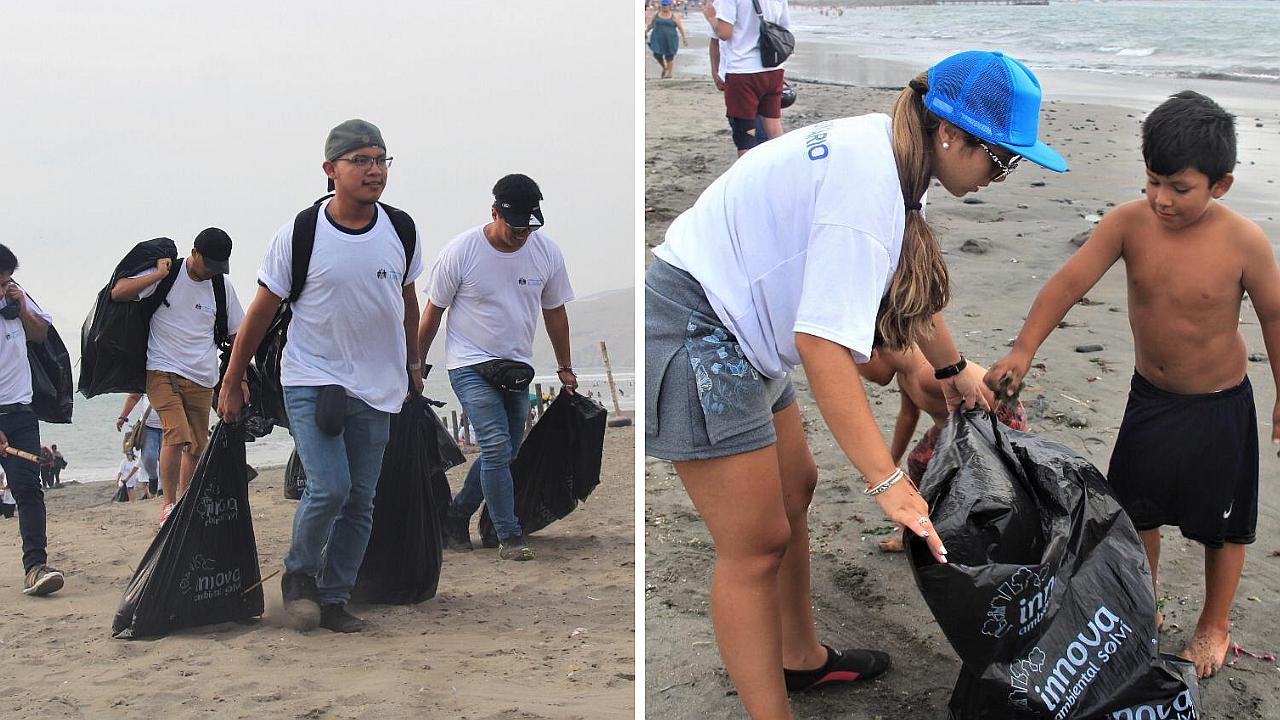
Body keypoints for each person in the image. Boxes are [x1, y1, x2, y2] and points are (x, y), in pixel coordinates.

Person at [645, 50, 1066, 717]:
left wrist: (954, 373)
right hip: (699, 326)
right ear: (952, 133)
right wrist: (888, 481)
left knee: (795, 486)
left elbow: (904, 276)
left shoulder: (901, 152)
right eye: (1002, 158)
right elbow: (820, 345)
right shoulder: (868, 186)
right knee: (753, 544)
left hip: (742, 319)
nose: (1002, 175)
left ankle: (800, 659)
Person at [984, 90, 1278, 680]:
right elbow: (1068, 285)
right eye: (1153, 181)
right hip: (1150, 401)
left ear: (1219, 185)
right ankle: (1143, 601)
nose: (1162, 199)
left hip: (1220, 409)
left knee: (1223, 527)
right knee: (1135, 513)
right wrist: (1024, 347)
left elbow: (1274, 317)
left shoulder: (1244, 242)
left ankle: (1214, 623)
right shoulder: (1127, 223)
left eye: (1179, 187)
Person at [218, 119, 424, 634]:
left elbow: (407, 302)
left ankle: (333, 598)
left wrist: (414, 363)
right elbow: (260, 314)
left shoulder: (401, 229)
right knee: (330, 487)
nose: (374, 170)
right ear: (331, 170)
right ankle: (298, 576)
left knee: (360, 500)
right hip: (312, 378)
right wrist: (231, 378)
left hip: (378, 386)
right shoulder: (301, 233)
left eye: (381, 160)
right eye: (361, 161)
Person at [419, 174, 577, 562]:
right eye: (515, 226)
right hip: (469, 364)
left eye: (529, 227)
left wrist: (565, 366)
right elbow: (433, 313)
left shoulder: (546, 253)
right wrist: (415, 365)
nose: (521, 235)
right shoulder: (461, 251)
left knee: (505, 453)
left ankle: (455, 516)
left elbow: (554, 311)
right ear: (495, 213)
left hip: (516, 368)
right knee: (493, 444)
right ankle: (508, 535)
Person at [110, 228, 246, 523]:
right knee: (176, 434)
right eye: (207, 264)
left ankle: (185, 502)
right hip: (162, 370)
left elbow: (238, 335)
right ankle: (168, 505)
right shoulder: (169, 275)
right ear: (194, 253)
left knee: (197, 444)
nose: (211, 272)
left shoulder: (222, 288)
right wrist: (156, 276)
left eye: (218, 268)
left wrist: (240, 379)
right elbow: (118, 292)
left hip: (202, 377)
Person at [856, 340, 1027, 552]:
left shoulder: (928, 375)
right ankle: (919, 532)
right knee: (918, 462)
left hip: (997, 420)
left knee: (988, 484)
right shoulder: (905, 377)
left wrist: (974, 445)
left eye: (858, 367)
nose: (863, 377)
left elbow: (991, 396)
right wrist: (891, 463)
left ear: (873, 354)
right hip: (950, 428)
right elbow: (908, 417)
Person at [0, 244, 65, 596]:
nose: (3, 290)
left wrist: (22, 305)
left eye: (7, 282)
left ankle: (35, 567)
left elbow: (40, 332)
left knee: (28, 489)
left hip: (21, 413)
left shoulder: (16, 301)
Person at [702, 0, 792, 157]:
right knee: (774, 129)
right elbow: (784, 29)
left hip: (743, 71)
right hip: (773, 69)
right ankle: (781, 173)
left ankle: (749, 179)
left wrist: (710, 17)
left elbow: (724, 33)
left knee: (745, 137)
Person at [118, 394, 163, 500]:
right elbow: (133, 397)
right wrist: (123, 417)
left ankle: (162, 490)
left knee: (167, 460)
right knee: (148, 457)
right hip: (148, 426)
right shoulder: (145, 379)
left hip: (170, 425)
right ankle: (153, 478)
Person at [646, 0, 688, 80]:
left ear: (669, 6)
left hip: (670, 38)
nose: (664, 7)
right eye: (663, 5)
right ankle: (664, 67)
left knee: (669, 55)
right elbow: (651, 25)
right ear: (661, 6)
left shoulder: (674, 16)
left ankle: (669, 73)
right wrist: (645, 31)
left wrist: (684, 38)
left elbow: (680, 28)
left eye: (666, 5)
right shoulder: (657, 15)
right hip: (657, 38)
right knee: (656, 54)